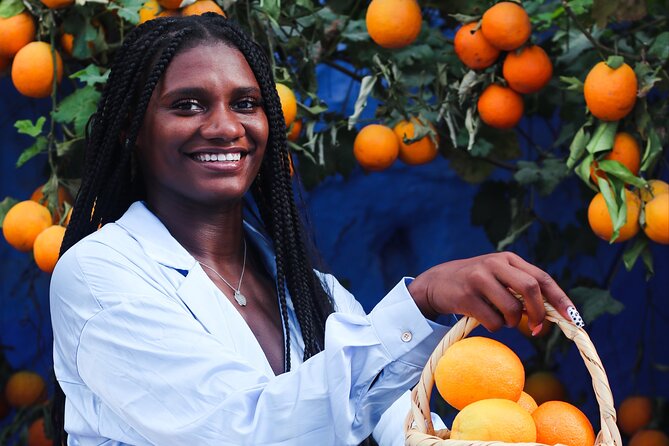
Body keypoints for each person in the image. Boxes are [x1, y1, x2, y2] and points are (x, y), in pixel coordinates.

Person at [49, 13, 583, 446]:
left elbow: (401, 426)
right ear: (130, 130)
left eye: (246, 103)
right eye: (187, 104)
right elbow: (239, 435)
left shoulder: (311, 292)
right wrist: (420, 301)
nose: (226, 126)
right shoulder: (99, 275)